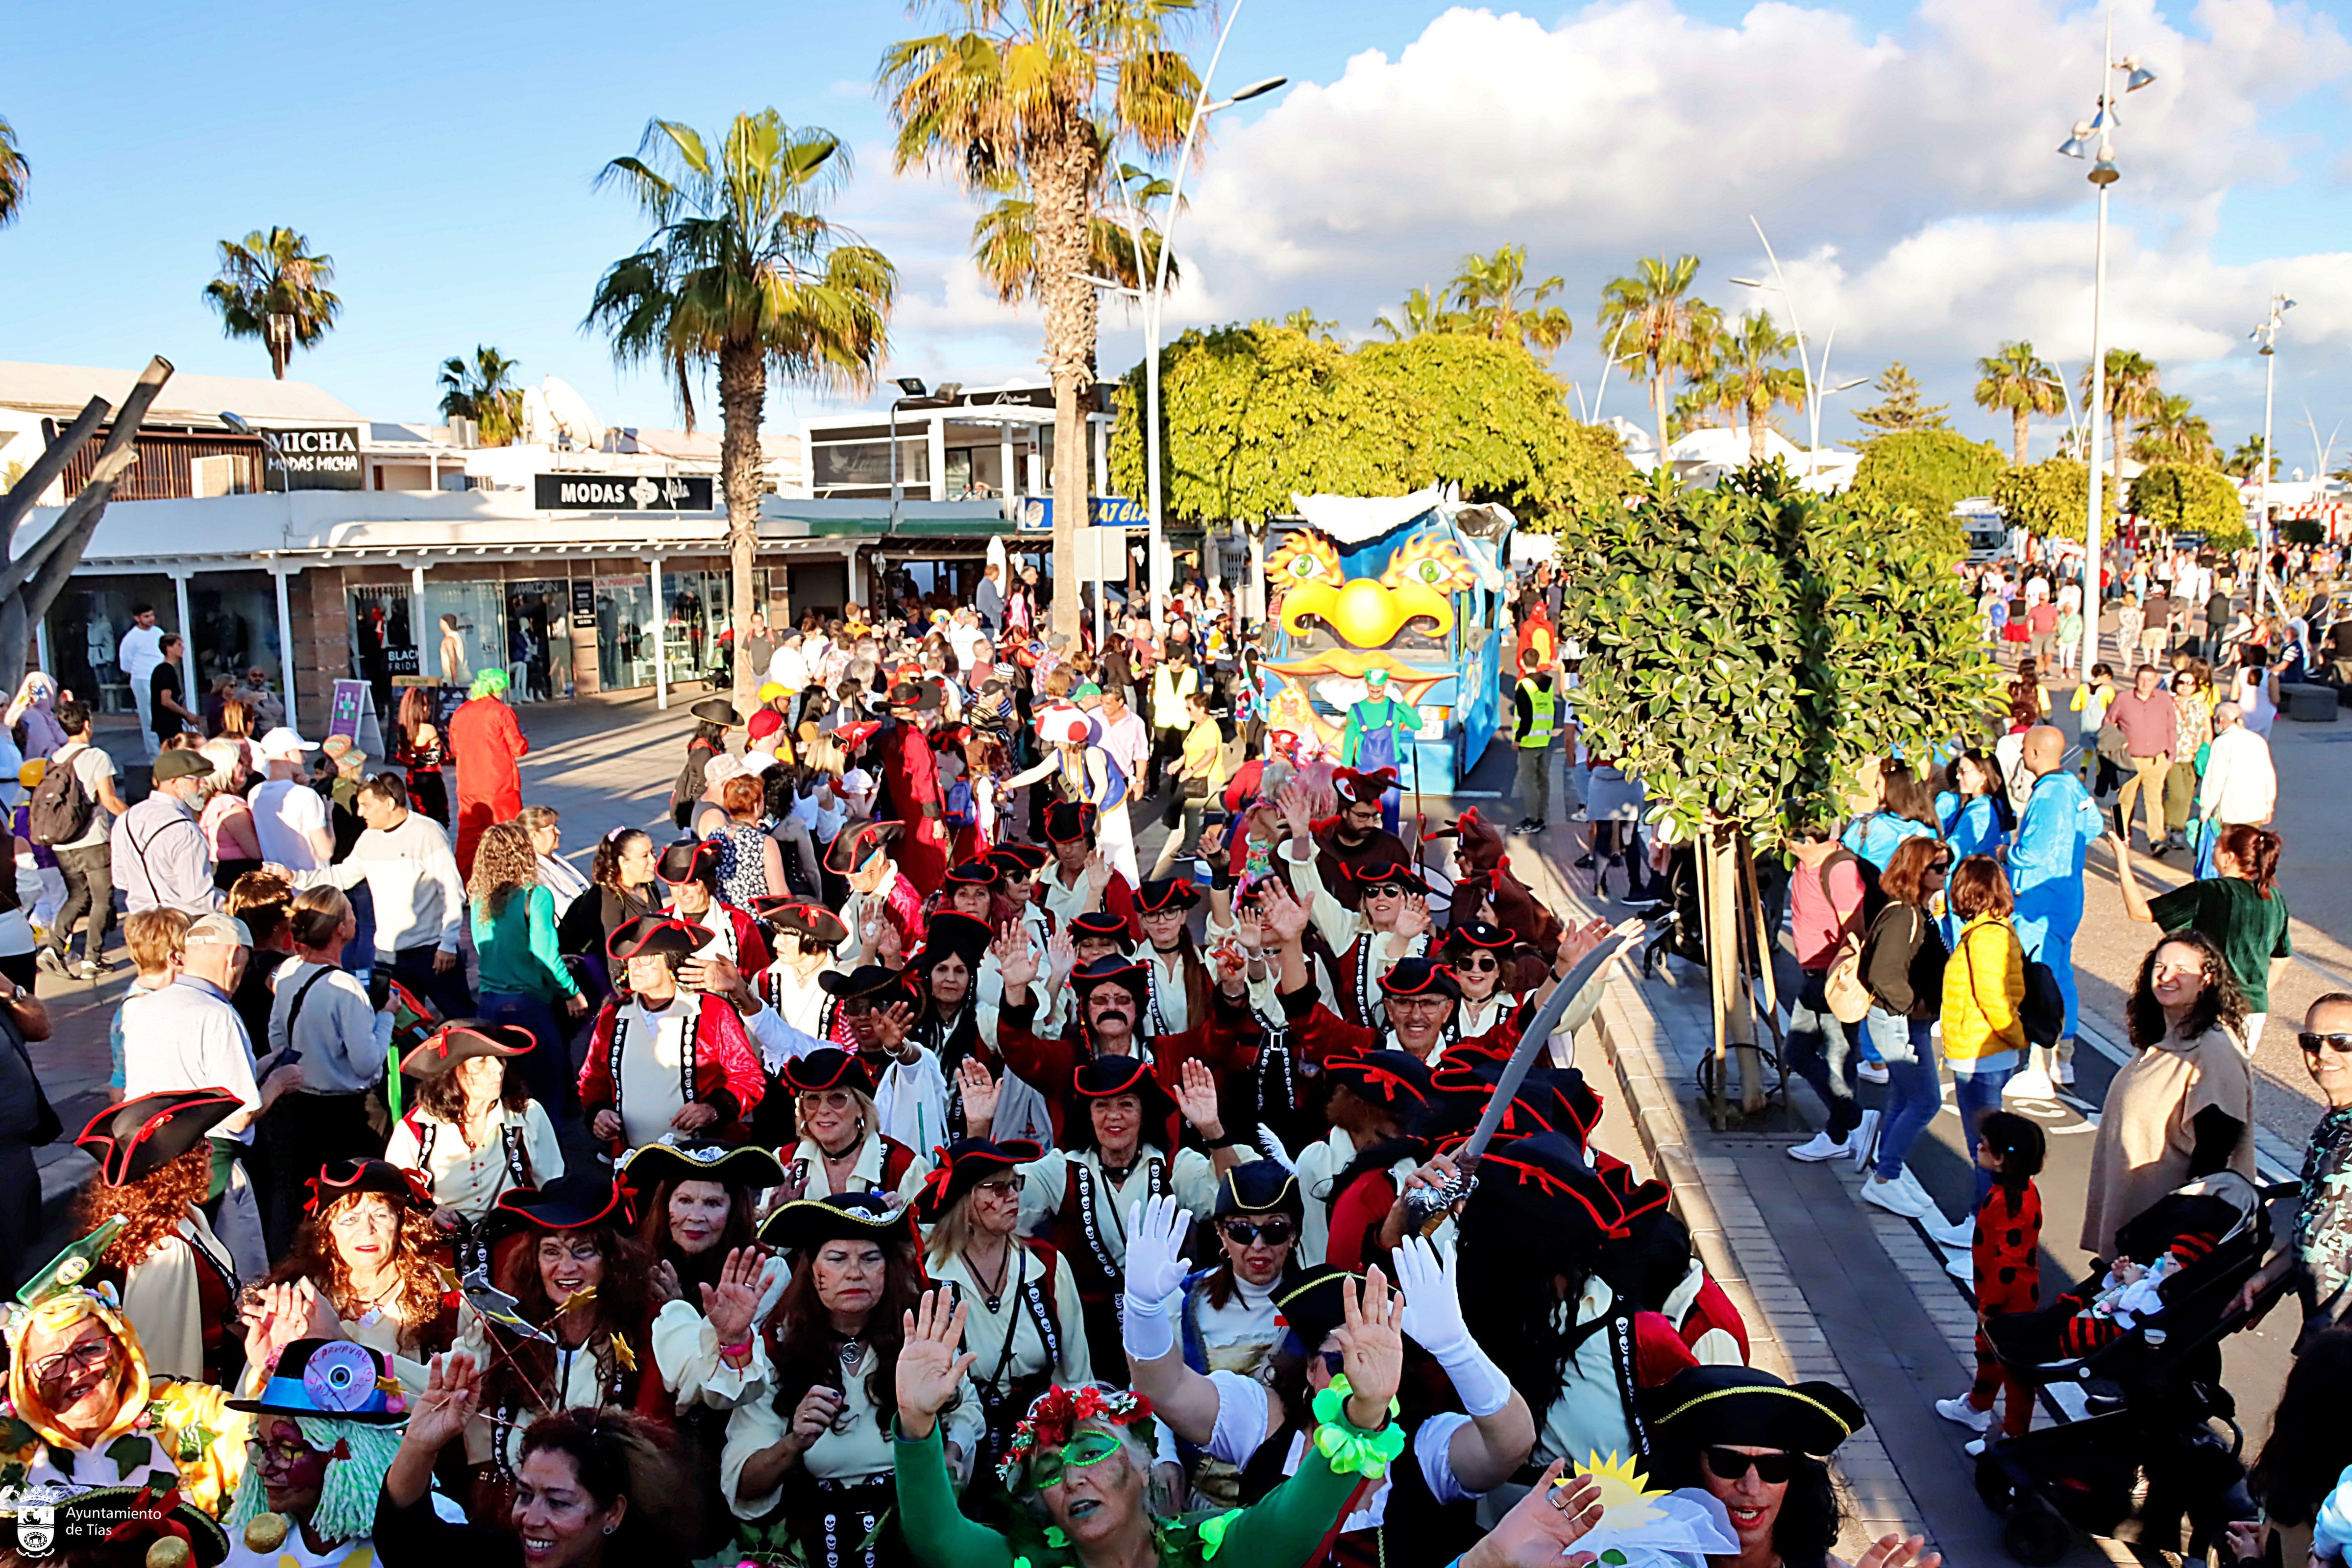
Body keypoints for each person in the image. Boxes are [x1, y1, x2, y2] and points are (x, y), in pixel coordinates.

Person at [893, 1275, 1407, 1568]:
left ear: (1143, 1467)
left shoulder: (1213, 1549)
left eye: (1090, 1452)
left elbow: (1293, 1521)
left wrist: (1364, 1413)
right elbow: (939, 1541)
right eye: (1048, 1469)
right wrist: (917, 1425)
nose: (1072, 1478)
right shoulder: (1026, 1563)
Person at [723, 1193, 980, 1568]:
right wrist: (795, 1442)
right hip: (816, 1547)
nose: (855, 1273)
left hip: (919, 1538)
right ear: (811, 1271)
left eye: (870, 1258)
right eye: (837, 1259)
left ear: (889, 1268)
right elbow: (744, 1481)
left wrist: (947, 1456)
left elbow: (965, 1412)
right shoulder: (778, 1351)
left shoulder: (920, 1338)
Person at [0, 1225, 245, 1511]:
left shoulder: (195, 1414)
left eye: (91, 1350)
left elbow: (269, 1448)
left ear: (121, 1350)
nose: (76, 1370)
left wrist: (274, 1366)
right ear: (26, 1378)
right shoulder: (6, 1446)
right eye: (53, 1362)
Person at [376, 1356, 694, 1568]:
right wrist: (419, 1445)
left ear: (613, 1512)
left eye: (558, 1503)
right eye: (526, 1495)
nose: (531, 1519)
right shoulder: (505, 1558)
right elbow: (408, 1543)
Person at [121, 908, 293, 1283]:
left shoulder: (143, 1006)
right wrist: (279, 1081)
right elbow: (241, 1113)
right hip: (211, 1166)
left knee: (174, 1270)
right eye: (243, 965)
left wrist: (258, 1067)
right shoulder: (217, 1014)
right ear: (234, 957)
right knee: (233, 1279)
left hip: (155, 1163)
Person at [1646, 1366, 1938, 1568]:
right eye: (1728, 1463)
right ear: (1688, 1469)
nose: (1751, 1487)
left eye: (1774, 1467)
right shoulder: (1635, 1557)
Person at [2080, 931, 2255, 1257]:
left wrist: (2176, 1243)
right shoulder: (2167, 1041)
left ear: (2208, 979)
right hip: (2139, 1226)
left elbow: (2216, 1154)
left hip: (2165, 1240)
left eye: (2181, 969)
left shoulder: (2213, 1049)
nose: (2166, 976)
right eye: (2159, 966)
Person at [71, 1086, 245, 1384]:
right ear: (178, 1167)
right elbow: (157, 1365)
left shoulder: (189, 1216)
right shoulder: (164, 1251)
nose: (212, 1149)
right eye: (202, 1144)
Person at [246, 1159, 456, 1388]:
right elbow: (252, 1411)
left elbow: (455, 1393)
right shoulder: (299, 1302)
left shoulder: (444, 1297)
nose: (366, 1230)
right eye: (349, 1219)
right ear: (328, 1232)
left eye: (381, 1215)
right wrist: (271, 1375)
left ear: (402, 1225)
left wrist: (340, 1343)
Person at [260, 887, 389, 1248]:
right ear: (339, 930)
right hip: (347, 1114)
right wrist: (386, 1019)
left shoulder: (287, 971)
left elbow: (275, 1033)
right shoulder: (344, 987)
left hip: (300, 1105)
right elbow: (366, 1063)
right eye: (349, 913)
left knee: (307, 1201)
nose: (354, 918)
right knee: (353, 1203)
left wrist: (304, 1061)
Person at [579, 916, 765, 1154]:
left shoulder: (710, 1012)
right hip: (633, 1161)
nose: (635, 966)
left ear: (671, 962)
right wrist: (598, 1112)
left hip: (702, 1161)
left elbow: (748, 1077)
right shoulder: (612, 1017)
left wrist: (712, 1109)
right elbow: (592, 1079)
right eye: (631, 958)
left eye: (646, 958)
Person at [222, 1336, 408, 1568]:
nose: (262, 1469)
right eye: (262, 1445)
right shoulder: (245, 1543)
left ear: (350, 1453)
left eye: (287, 1449)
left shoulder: (424, 1532)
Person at [2233, 997, 2352, 1347]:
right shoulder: (2335, 1122)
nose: (2323, 1054)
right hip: (2324, 1325)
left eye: (2341, 1042)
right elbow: (2322, 1219)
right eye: (2312, 1042)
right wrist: (2272, 1275)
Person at [383, 1021, 563, 1249]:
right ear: (450, 1073)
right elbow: (392, 1201)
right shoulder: (415, 1129)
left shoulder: (528, 1115)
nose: (497, 1068)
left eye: (500, 1059)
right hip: (445, 1258)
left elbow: (554, 1190)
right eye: (481, 1061)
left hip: (517, 1251)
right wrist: (427, 1215)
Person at [2112, 823, 2291, 1048]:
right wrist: (2257, 992)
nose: (2213, 850)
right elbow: (2282, 959)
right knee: (2232, 1075)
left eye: (2217, 845)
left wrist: (2122, 858)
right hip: (2254, 1010)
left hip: (2211, 1007)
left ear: (2228, 857)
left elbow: (2139, 911)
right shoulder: (2273, 898)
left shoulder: (2209, 892)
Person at [316, 771, 473, 1021]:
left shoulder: (427, 833)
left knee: (462, 1018)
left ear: (389, 804)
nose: (360, 813)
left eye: (366, 805)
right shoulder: (368, 838)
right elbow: (342, 877)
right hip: (389, 958)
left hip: (432, 954)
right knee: (402, 1026)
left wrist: (447, 944)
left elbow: (452, 892)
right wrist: (292, 878)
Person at [1854, 838, 1954, 1226]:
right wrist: (1913, 1004)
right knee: (1926, 1100)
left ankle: (1888, 1170)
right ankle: (1885, 1177)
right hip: (1899, 1021)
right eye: (1939, 868)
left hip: (1907, 1019)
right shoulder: (1903, 917)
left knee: (1903, 1096)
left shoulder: (1919, 912)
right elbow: (1883, 973)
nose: (1947, 873)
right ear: (1918, 872)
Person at [1936, 1110, 2046, 1450]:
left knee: (2013, 1370)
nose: (1978, 1147)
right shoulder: (2022, 1191)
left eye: (1984, 1145)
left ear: (2000, 1159)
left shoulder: (2008, 1205)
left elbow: (2007, 1264)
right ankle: (1978, 1406)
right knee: (1989, 1355)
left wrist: (1990, 1306)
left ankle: (2014, 1435)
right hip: (2011, 1296)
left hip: (2007, 1301)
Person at [2004, 725, 2103, 1096]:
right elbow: (2092, 825)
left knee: (2036, 977)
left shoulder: (2047, 794)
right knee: (2061, 972)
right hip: (2068, 892)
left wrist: (2007, 855)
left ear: (2033, 754)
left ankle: (2037, 1064)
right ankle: (2065, 1057)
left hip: (2037, 898)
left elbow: (2034, 851)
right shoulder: (2072, 785)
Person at [470, 819, 589, 1109]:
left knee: (506, 1090)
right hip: (529, 1007)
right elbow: (544, 954)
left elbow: (486, 948)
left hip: (489, 1004)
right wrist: (571, 992)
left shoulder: (479, 897)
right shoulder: (536, 896)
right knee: (547, 1093)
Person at [1940, 855, 2026, 1204]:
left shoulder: (1984, 938)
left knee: (1985, 1148)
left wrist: (2016, 1037)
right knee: (1987, 1144)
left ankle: (1982, 1221)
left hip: (1981, 1052)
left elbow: (1993, 998)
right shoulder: (1992, 930)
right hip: (1986, 1049)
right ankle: (1981, 1219)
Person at [1783, 824, 1870, 1165]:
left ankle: (1848, 1127)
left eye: (1786, 834)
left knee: (1839, 1059)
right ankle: (1849, 1124)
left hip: (1832, 978)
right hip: (1812, 975)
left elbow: (1855, 928)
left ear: (1808, 839)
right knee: (1799, 1053)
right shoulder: (1802, 862)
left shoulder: (1840, 869)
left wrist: (1845, 977)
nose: (1779, 841)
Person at [41, 697, 128, 978]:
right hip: (92, 839)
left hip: (63, 841)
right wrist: (135, 818)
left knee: (78, 896)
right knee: (102, 899)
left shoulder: (55, 758)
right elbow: (110, 799)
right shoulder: (97, 757)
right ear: (87, 725)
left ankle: (54, 948)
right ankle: (92, 959)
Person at [114, 745, 221, 915]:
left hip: (140, 923)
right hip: (180, 925)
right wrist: (233, 904)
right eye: (197, 780)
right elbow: (199, 899)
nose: (204, 786)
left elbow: (121, 880)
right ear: (174, 781)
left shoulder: (126, 819)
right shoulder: (186, 832)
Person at [449, 668, 529, 878]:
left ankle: (465, 882)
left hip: (468, 784)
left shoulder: (461, 712)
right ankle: (514, 878)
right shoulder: (501, 712)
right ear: (496, 688)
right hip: (500, 784)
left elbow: (455, 749)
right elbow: (518, 747)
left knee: (469, 838)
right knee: (510, 834)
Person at [558, 826, 660, 961]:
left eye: (652, 852)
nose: (653, 861)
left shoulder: (649, 886)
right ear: (623, 862)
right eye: (644, 856)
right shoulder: (608, 899)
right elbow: (612, 957)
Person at [1340, 668, 1421, 837]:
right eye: (1372, 686)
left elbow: (1417, 724)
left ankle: (1391, 854)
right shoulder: (1356, 710)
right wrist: (1343, 775)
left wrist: (1402, 703)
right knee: (1361, 817)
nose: (1375, 689)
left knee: (1391, 819)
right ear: (1367, 684)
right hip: (1364, 774)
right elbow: (1348, 746)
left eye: (1379, 686)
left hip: (1391, 773)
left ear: (1385, 685)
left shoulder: (1396, 708)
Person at [2108, 664, 2178, 856]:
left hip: (2157, 760)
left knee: (2154, 800)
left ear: (2156, 681)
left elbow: (2171, 726)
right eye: (2142, 679)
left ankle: (2157, 840)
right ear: (2135, 679)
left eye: (2150, 679)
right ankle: (2121, 837)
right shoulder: (2123, 699)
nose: (2145, 683)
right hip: (2129, 760)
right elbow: (2108, 724)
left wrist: (2171, 754)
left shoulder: (2164, 700)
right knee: (2125, 801)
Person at [2196, 700, 2277, 859]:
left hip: (2230, 811)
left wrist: (2206, 809)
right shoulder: (2257, 740)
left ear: (2220, 721)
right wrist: (2269, 805)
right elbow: (2269, 775)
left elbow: (2215, 779)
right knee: (2249, 851)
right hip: (2255, 809)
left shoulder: (2222, 743)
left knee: (2231, 853)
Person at [1512, 646, 1561, 835]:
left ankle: (1531, 819)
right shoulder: (1548, 684)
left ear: (1523, 663)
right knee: (1543, 779)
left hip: (1529, 740)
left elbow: (1526, 716)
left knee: (1528, 781)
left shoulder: (1524, 686)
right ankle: (1541, 816)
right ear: (1539, 662)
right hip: (1544, 737)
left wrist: (1518, 739)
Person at [520, 804, 591, 917]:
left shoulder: (555, 857)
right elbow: (562, 908)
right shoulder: (533, 869)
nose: (558, 832)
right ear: (534, 836)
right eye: (552, 829)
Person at [395, 684, 450, 825]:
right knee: (437, 816)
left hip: (412, 777)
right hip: (430, 777)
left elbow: (404, 756)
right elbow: (439, 756)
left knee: (420, 813)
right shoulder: (428, 729)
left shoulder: (403, 731)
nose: (428, 710)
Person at [117, 605, 167, 758]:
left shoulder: (158, 632)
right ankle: (155, 755)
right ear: (137, 618)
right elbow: (125, 663)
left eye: (152, 615)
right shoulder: (131, 638)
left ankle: (168, 749)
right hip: (143, 678)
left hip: (160, 677)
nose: (151, 619)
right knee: (149, 718)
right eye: (146, 616)